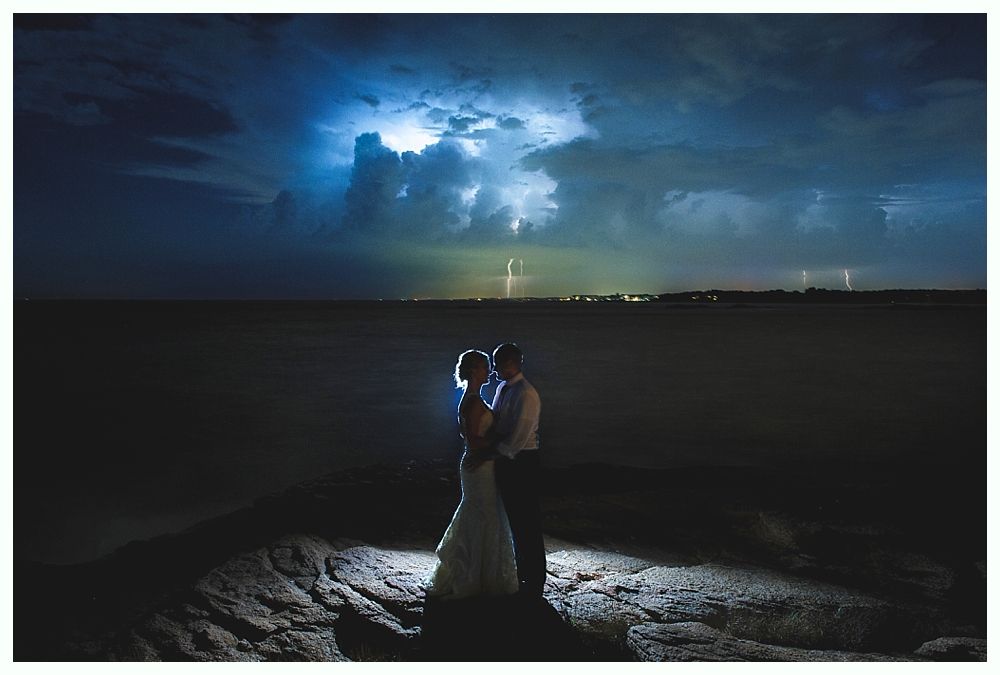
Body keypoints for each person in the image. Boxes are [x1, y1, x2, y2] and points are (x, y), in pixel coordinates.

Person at [425, 350, 519, 600]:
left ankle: (477, 572)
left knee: (478, 512)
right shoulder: (474, 402)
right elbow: (476, 441)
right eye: (485, 366)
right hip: (479, 466)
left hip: (475, 464)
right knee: (483, 514)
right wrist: (502, 443)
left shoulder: (470, 399)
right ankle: (475, 576)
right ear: (473, 371)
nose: (489, 370)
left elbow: (466, 435)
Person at [490, 342, 545, 599]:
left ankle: (535, 578)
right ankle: (522, 570)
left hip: (523, 461)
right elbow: (498, 421)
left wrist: (492, 453)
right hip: (509, 458)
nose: (495, 368)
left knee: (527, 521)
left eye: (499, 362)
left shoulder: (526, 393)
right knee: (515, 519)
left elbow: (519, 437)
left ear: (514, 363)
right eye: (494, 362)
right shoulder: (503, 388)